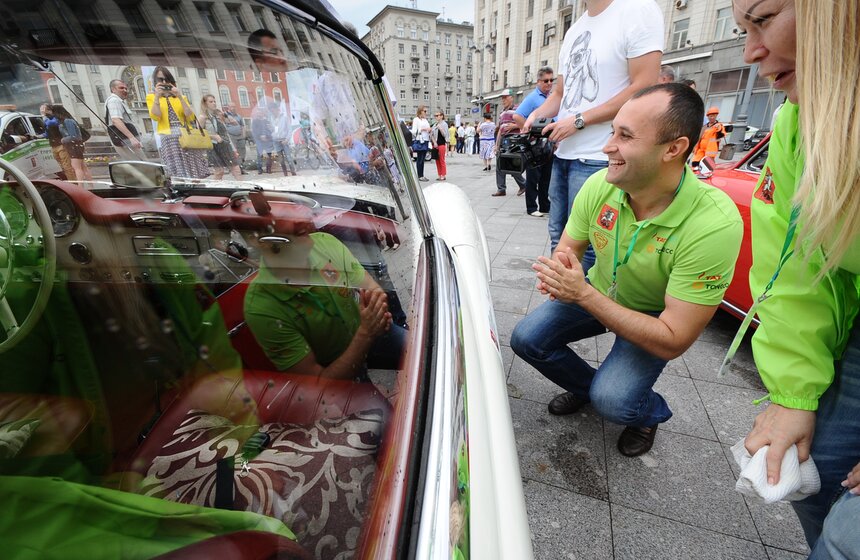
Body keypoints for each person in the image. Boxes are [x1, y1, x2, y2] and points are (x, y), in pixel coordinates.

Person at [510, 83, 743, 457]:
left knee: (616, 402)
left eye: (625, 136)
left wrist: (581, 293)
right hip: (598, 290)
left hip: (653, 317)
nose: (607, 147)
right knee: (526, 339)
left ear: (673, 149)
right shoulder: (600, 185)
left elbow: (673, 339)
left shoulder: (713, 224)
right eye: (612, 131)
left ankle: (648, 413)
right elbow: (568, 247)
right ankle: (590, 389)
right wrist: (561, 270)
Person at [731, 0, 860, 551]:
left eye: (762, 19)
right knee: (814, 470)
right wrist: (792, 394)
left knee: (847, 538)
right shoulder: (795, 124)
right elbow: (796, 267)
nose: (750, 51)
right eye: (742, 29)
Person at [524, 0, 664, 258]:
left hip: (602, 156)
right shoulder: (574, 29)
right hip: (563, 153)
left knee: (591, 245)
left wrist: (579, 121)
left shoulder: (637, 9)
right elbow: (560, 93)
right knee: (558, 235)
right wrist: (535, 115)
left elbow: (645, 86)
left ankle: (582, 287)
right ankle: (560, 284)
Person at [244, 215, 404, 380]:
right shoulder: (260, 306)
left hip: (370, 330)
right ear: (256, 239)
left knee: (416, 349)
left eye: (293, 207)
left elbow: (373, 289)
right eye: (279, 214)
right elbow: (319, 384)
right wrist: (365, 333)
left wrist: (376, 312)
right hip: (337, 363)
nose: (301, 217)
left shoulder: (324, 243)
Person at [146, 66, 209, 179]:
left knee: (193, 169)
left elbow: (189, 116)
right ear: (155, 81)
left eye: (167, 79)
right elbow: (156, 116)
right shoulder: (151, 97)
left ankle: (196, 186)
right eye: (160, 80)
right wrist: (157, 97)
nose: (164, 82)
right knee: (177, 172)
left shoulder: (181, 96)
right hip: (169, 137)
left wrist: (179, 96)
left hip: (186, 134)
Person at [514, 67, 555, 216]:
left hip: (549, 144)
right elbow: (517, 116)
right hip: (536, 144)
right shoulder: (532, 97)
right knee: (533, 176)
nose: (549, 83)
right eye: (546, 80)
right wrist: (531, 132)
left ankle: (544, 205)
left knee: (546, 177)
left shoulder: (552, 97)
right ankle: (531, 207)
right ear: (538, 81)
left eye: (551, 80)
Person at [492, 89, 527, 197]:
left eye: (505, 97)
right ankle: (501, 189)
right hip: (503, 139)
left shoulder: (518, 109)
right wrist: (496, 145)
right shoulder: (502, 112)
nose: (503, 100)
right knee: (499, 164)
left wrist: (514, 126)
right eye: (502, 98)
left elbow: (526, 123)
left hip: (514, 140)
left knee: (511, 164)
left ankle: (523, 184)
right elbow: (500, 129)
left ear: (511, 98)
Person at [199, 95, 242, 180]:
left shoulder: (218, 115)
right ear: (205, 103)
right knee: (219, 171)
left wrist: (225, 115)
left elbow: (235, 123)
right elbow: (199, 134)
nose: (214, 103)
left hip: (225, 144)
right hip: (213, 146)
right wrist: (213, 136)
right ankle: (215, 187)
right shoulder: (203, 117)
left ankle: (242, 186)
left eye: (214, 101)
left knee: (236, 169)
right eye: (211, 102)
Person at [105, 79, 144, 160]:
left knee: (140, 164)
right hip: (125, 140)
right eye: (121, 88)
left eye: (126, 88)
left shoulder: (118, 101)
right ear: (113, 89)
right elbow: (116, 120)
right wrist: (131, 138)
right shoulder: (114, 101)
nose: (125, 90)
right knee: (140, 164)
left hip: (126, 140)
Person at [52, 105, 92, 182]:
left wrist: (63, 140)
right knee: (83, 167)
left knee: (77, 167)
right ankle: (90, 185)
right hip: (75, 145)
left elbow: (73, 136)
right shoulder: (67, 121)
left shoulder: (67, 121)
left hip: (74, 146)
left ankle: (80, 185)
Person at [39, 104, 75, 181]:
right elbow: (47, 132)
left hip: (61, 145)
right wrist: (38, 136)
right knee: (62, 166)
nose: (42, 111)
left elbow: (52, 123)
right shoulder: (47, 119)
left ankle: (74, 182)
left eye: (43, 109)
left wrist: (44, 117)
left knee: (67, 166)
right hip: (53, 146)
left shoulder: (56, 118)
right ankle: (71, 180)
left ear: (49, 110)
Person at [223, 105, 247, 172]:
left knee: (242, 151)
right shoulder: (225, 116)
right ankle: (236, 168)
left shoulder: (239, 116)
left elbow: (242, 125)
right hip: (231, 136)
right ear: (228, 108)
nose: (233, 108)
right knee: (234, 152)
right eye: (231, 107)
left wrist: (244, 135)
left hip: (240, 135)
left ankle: (241, 165)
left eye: (234, 106)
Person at [411, 105, 431, 182]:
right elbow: (413, 131)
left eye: (426, 111)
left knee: (423, 158)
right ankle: (420, 175)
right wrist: (422, 129)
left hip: (425, 140)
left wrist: (429, 130)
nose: (426, 112)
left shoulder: (425, 120)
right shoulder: (416, 119)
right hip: (419, 140)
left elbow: (428, 128)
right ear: (420, 111)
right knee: (420, 158)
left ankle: (421, 175)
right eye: (424, 111)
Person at [432, 111, 449, 181]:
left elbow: (445, 135)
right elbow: (431, 135)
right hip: (435, 144)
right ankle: (439, 174)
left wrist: (441, 129)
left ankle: (443, 175)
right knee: (437, 160)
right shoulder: (435, 124)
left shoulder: (444, 124)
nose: (436, 117)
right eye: (435, 116)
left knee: (442, 160)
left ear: (442, 116)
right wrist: (434, 142)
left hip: (441, 144)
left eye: (437, 115)